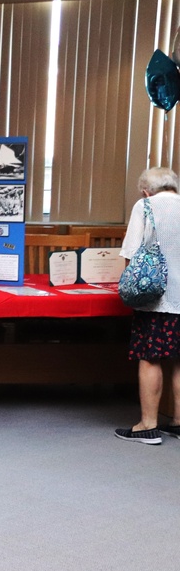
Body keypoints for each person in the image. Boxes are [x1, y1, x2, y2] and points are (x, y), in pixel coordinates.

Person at [114, 167, 180, 445]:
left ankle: (148, 426)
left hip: (157, 298)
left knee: (150, 357)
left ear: (145, 190)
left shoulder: (145, 206)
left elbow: (131, 253)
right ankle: (177, 422)